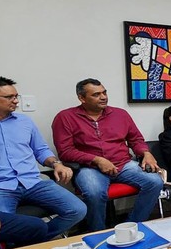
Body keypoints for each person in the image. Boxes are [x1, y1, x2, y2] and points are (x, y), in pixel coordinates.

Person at [0, 75, 86, 240]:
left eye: (16, 96)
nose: (16, 101)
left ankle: (36, 240)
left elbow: (41, 150)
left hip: (33, 182)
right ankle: (25, 244)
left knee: (78, 209)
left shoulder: (24, 122)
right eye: (9, 97)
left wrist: (57, 164)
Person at [52, 78, 163, 231]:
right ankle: (98, 232)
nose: (103, 97)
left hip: (123, 164)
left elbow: (135, 139)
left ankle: (132, 225)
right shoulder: (65, 117)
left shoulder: (120, 114)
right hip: (89, 168)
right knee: (94, 192)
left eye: (104, 92)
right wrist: (96, 160)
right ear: (82, 98)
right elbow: (65, 151)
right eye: (96, 94)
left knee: (155, 181)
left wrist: (146, 153)